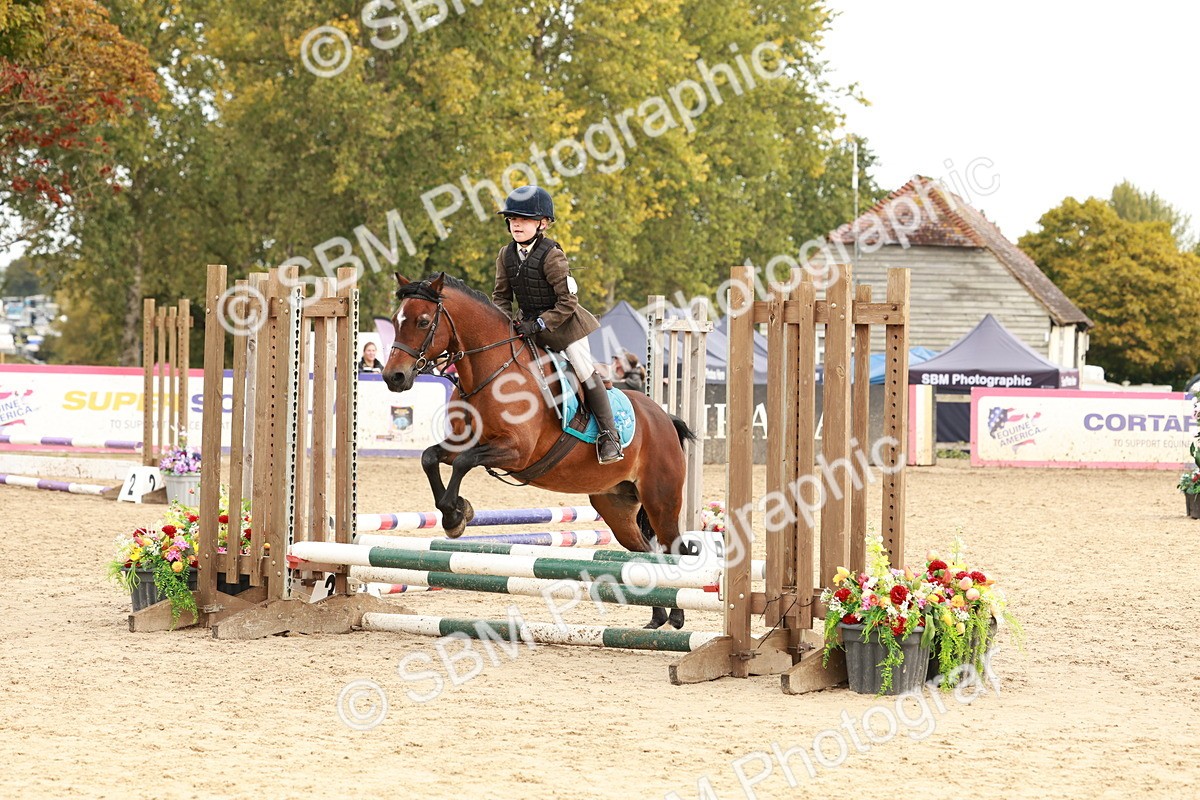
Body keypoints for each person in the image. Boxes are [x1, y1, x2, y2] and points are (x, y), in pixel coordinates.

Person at [491, 185, 623, 464]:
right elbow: (501, 297)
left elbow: (567, 302)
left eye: (524, 219)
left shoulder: (552, 255)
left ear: (542, 223)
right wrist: (503, 325)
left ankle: (610, 436)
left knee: (583, 369)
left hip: (564, 326)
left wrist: (539, 323)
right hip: (527, 325)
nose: (516, 224)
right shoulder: (505, 255)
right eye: (512, 219)